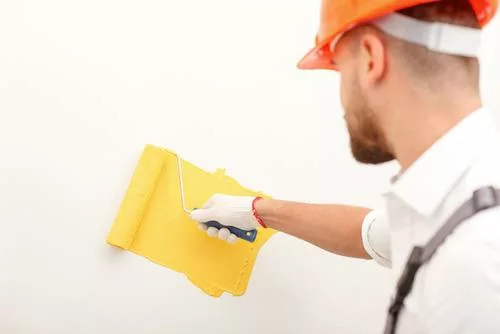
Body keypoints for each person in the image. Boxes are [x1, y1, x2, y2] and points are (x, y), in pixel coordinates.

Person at [190, 0, 500, 333]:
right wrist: (256, 211)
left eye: (340, 68)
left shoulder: (475, 261)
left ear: (370, 58)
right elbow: (368, 233)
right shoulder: (456, 201)